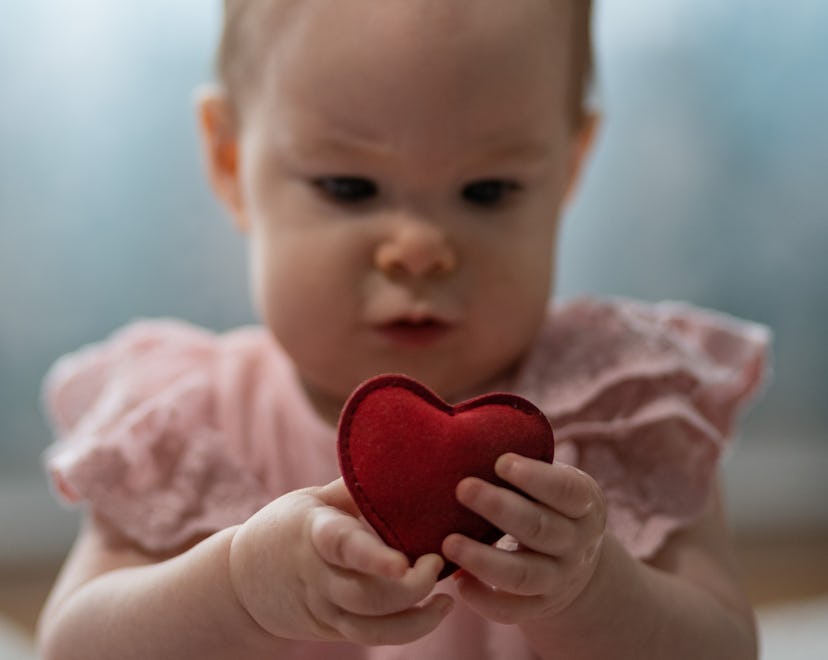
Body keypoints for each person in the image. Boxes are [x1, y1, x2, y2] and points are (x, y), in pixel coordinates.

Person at [36, 1, 770, 658]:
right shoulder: (188, 425)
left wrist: (593, 591)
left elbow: (726, 647)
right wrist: (235, 588)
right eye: (349, 188)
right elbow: (72, 646)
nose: (419, 249)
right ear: (230, 163)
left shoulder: (619, 408)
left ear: (569, 169)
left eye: (488, 191)